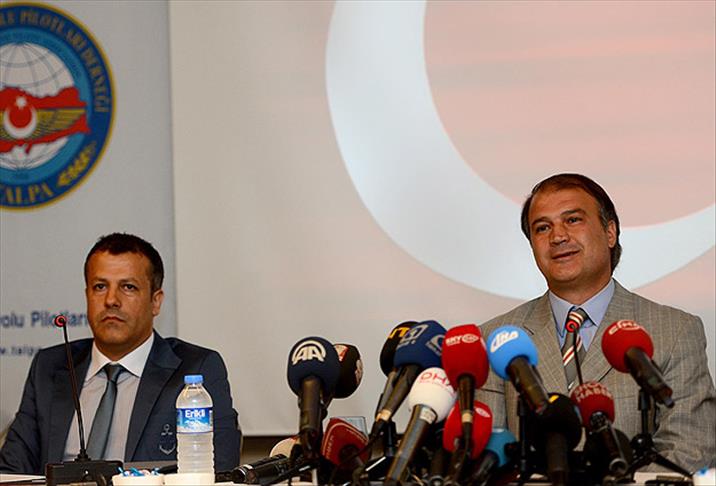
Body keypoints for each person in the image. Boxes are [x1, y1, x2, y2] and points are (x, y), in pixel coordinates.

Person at [476, 173, 716, 473]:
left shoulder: (675, 331)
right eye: (542, 227)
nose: (558, 237)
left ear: (610, 232)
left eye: (573, 220)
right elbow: (488, 461)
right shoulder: (498, 340)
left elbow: (689, 452)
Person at [0, 233, 242, 474]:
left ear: (155, 302)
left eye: (128, 287)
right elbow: (11, 471)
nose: (111, 300)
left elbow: (219, 471)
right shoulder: (50, 367)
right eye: (100, 286)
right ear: (87, 295)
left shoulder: (196, 369)